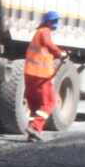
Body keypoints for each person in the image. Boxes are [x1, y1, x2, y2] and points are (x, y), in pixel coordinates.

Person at [24, 8, 64, 138]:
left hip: (30, 74)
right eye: (54, 21)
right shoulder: (45, 32)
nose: (55, 23)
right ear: (47, 22)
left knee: (35, 105)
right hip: (41, 76)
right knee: (50, 103)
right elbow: (48, 43)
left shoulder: (38, 33)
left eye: (56, 21)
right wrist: (60, 53)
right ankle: (34, 127)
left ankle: (33, 133)